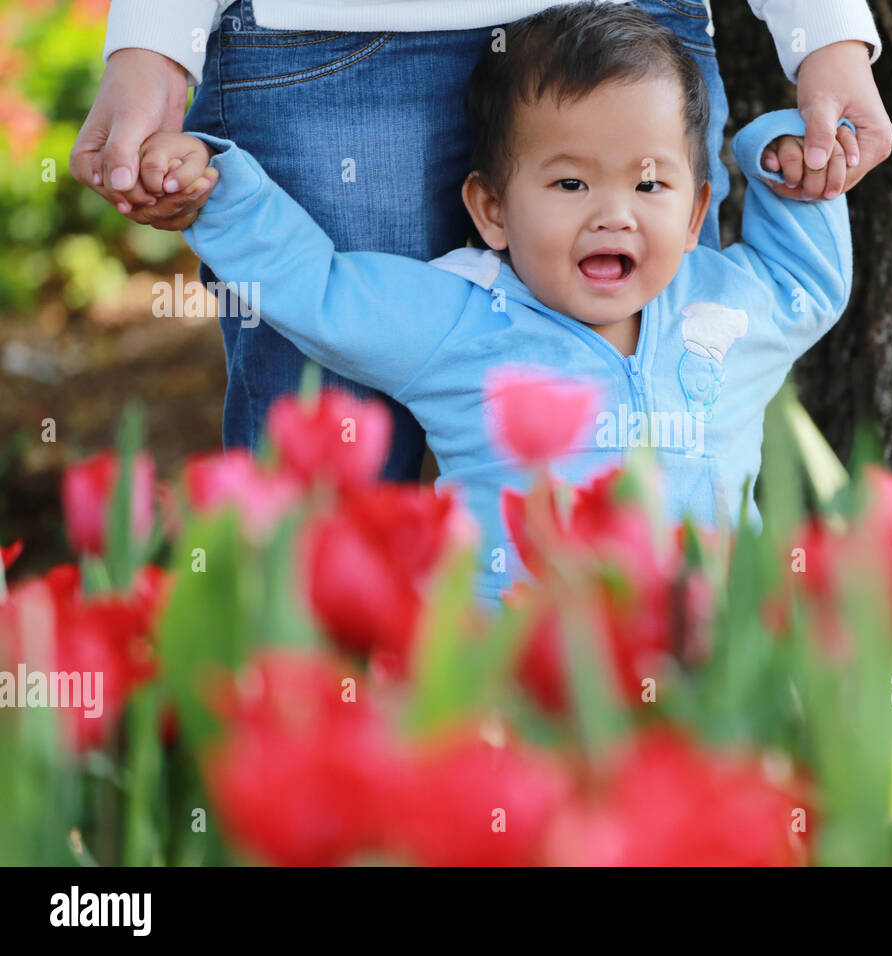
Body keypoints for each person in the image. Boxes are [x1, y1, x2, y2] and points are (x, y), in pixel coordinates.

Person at [140, 2, 854, 604]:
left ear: (697, 212)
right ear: (491, 211)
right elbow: (320, 291)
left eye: (649, 186)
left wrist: (786, 167)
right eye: (571, 186)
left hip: (709, 668)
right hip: (519, 675)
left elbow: (810, 283)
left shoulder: (726, 309)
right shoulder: (460, 317)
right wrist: (224, 193)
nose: (615, 215)